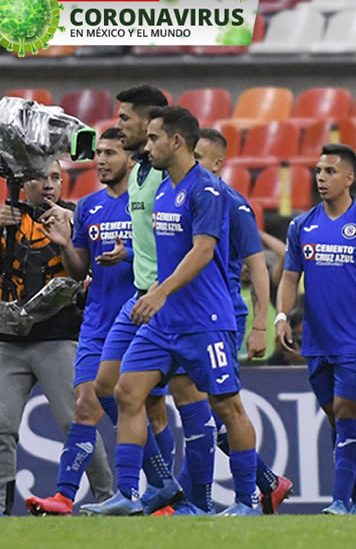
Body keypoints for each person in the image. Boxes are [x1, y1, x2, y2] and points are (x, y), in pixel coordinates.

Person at [80, 106, 261, 516]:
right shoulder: (162, 190)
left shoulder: (207, 190)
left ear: (176, 141)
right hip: (164, 322)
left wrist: (159, 292)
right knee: (126, 392)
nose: (147, 146)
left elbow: (203, 250)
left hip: (204, 321)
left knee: (226, 406)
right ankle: (129, 493)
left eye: (154, 139)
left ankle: (249, 500)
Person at [275, 144, 356, 515]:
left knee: (347, 413)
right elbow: (288, 276)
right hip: (316, 340)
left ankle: (339, 502)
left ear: (350, 178)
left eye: (330, 171)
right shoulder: (302, 225)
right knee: (336, 418)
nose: (321, 177)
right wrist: (282, 317)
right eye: (318, 170)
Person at [24, 129, 136, 515]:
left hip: (137, 319)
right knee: (85, 407)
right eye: (99, 152)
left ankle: (150, 492)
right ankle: (64, 497)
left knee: (138, 409)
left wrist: (130, 255)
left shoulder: (147, 204)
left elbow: (164, 259)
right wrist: (66, 245)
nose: (101, 159)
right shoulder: (88, 206)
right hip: (95, 322)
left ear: (131, 158)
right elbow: (80, 270)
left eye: (111, 152)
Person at [186, 127, 293, 514]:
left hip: (220, 313)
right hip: (182, 316)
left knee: (215, 407)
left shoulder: (234, 203)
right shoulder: (177, 197)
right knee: (186, 407)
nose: (190, 163)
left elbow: (259, 268)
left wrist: (261, 324)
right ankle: (265, 483)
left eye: (199, 157)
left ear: (217, 164)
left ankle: (232, 496)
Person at [0, 160, 113, 515]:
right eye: (40, 177)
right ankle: (2, 510)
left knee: (76, 422)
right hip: (6, 341)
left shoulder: (77, 216)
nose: (49, 185)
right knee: (1, 428)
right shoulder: (6, 218)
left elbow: (90, 271)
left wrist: (67, 240)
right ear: (21, 182)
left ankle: (109, 499)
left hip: (59, 337)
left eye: (55, 178)